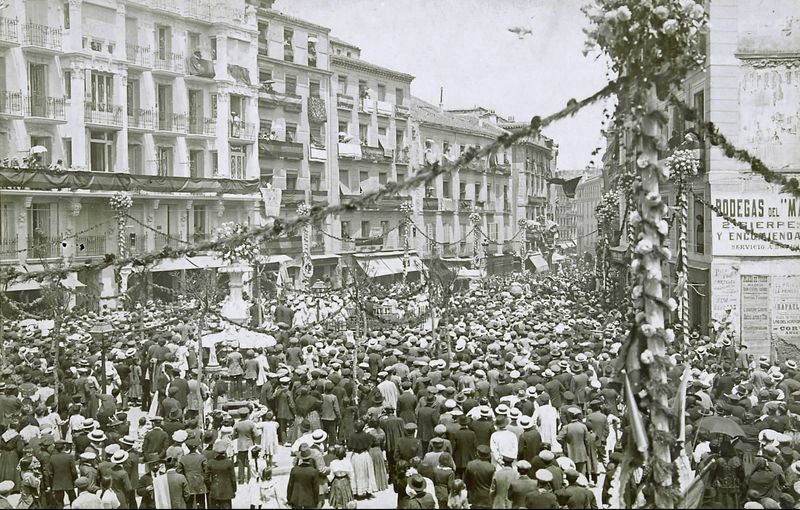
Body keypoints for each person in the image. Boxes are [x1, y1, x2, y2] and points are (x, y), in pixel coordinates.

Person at [205, 442, 236, 509]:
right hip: (227, 492)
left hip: (215, 491)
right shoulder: (229, 462)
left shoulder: (210, 462)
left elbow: (206, 478)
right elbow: (233, 479)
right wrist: (234, 489)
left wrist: (211, 486)